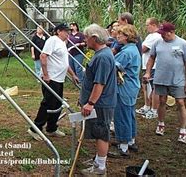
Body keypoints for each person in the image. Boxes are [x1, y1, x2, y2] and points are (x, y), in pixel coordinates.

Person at [143, 22, 186, 144]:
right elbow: (151, 58)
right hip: (160, 78)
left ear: (171, 32)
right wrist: (148, 72)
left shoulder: (183, 44)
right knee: (162, 101)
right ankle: (160, 124)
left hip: (177, 79)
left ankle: (182, 130)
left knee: (180, 102)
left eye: (163, 33)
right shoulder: (157, 43)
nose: (162, 36)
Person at [27, 23, 79, 140]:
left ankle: (51, 128)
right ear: (59, 31)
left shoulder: (62, 43)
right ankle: (35, 128)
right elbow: (43, 56)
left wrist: (73, 74)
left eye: (69, 32)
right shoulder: (53, 40)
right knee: (48, 103)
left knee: (57, 104)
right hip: (51, 78)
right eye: (66, 31)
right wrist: (46, 75)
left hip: (59, 78)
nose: (68, 34)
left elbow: (64, 62)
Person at [80, 24, 117, 176]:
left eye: (86, 37)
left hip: (101, 104)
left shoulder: (102, 57)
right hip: (99, 102)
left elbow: (99, 84)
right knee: (98, 132)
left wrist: (90, 103)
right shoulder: (101, 53)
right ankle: (97, 160)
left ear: (94, 38)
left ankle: (100, 168)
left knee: (101, 133)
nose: (84, 40)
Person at [110, 24, 141, 157]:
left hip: (124, 87)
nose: (118, 36)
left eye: (121, 34)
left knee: (122, 115)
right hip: (132, 87)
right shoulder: (132, 49)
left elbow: (113, 66)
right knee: (129, 114)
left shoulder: (127, 52)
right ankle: (130, 140)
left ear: (127, 37)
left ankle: (123, 147)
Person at [136, 17, 162, 119]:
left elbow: (142, 48)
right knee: (146, 86)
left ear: (154, 25)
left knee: (153, 87)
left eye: (147, 25)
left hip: (153, 66)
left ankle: (154, 110)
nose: (146, 27)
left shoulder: (155, 36)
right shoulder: (151, 36)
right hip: (146, 65)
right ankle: (147, 106)